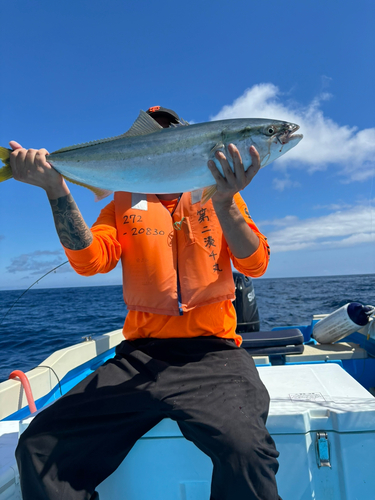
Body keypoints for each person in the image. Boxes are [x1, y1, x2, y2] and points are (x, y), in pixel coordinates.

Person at [11, 106, 281, 500]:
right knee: (38, 448)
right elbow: (90, 262)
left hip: (213, 354)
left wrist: (225, 203)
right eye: (153, 141)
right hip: (138, 355)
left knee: (247, 452)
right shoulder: (121, 202)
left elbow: (255, 263)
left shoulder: (221, 195)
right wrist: (56, 189)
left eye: (174, 138)